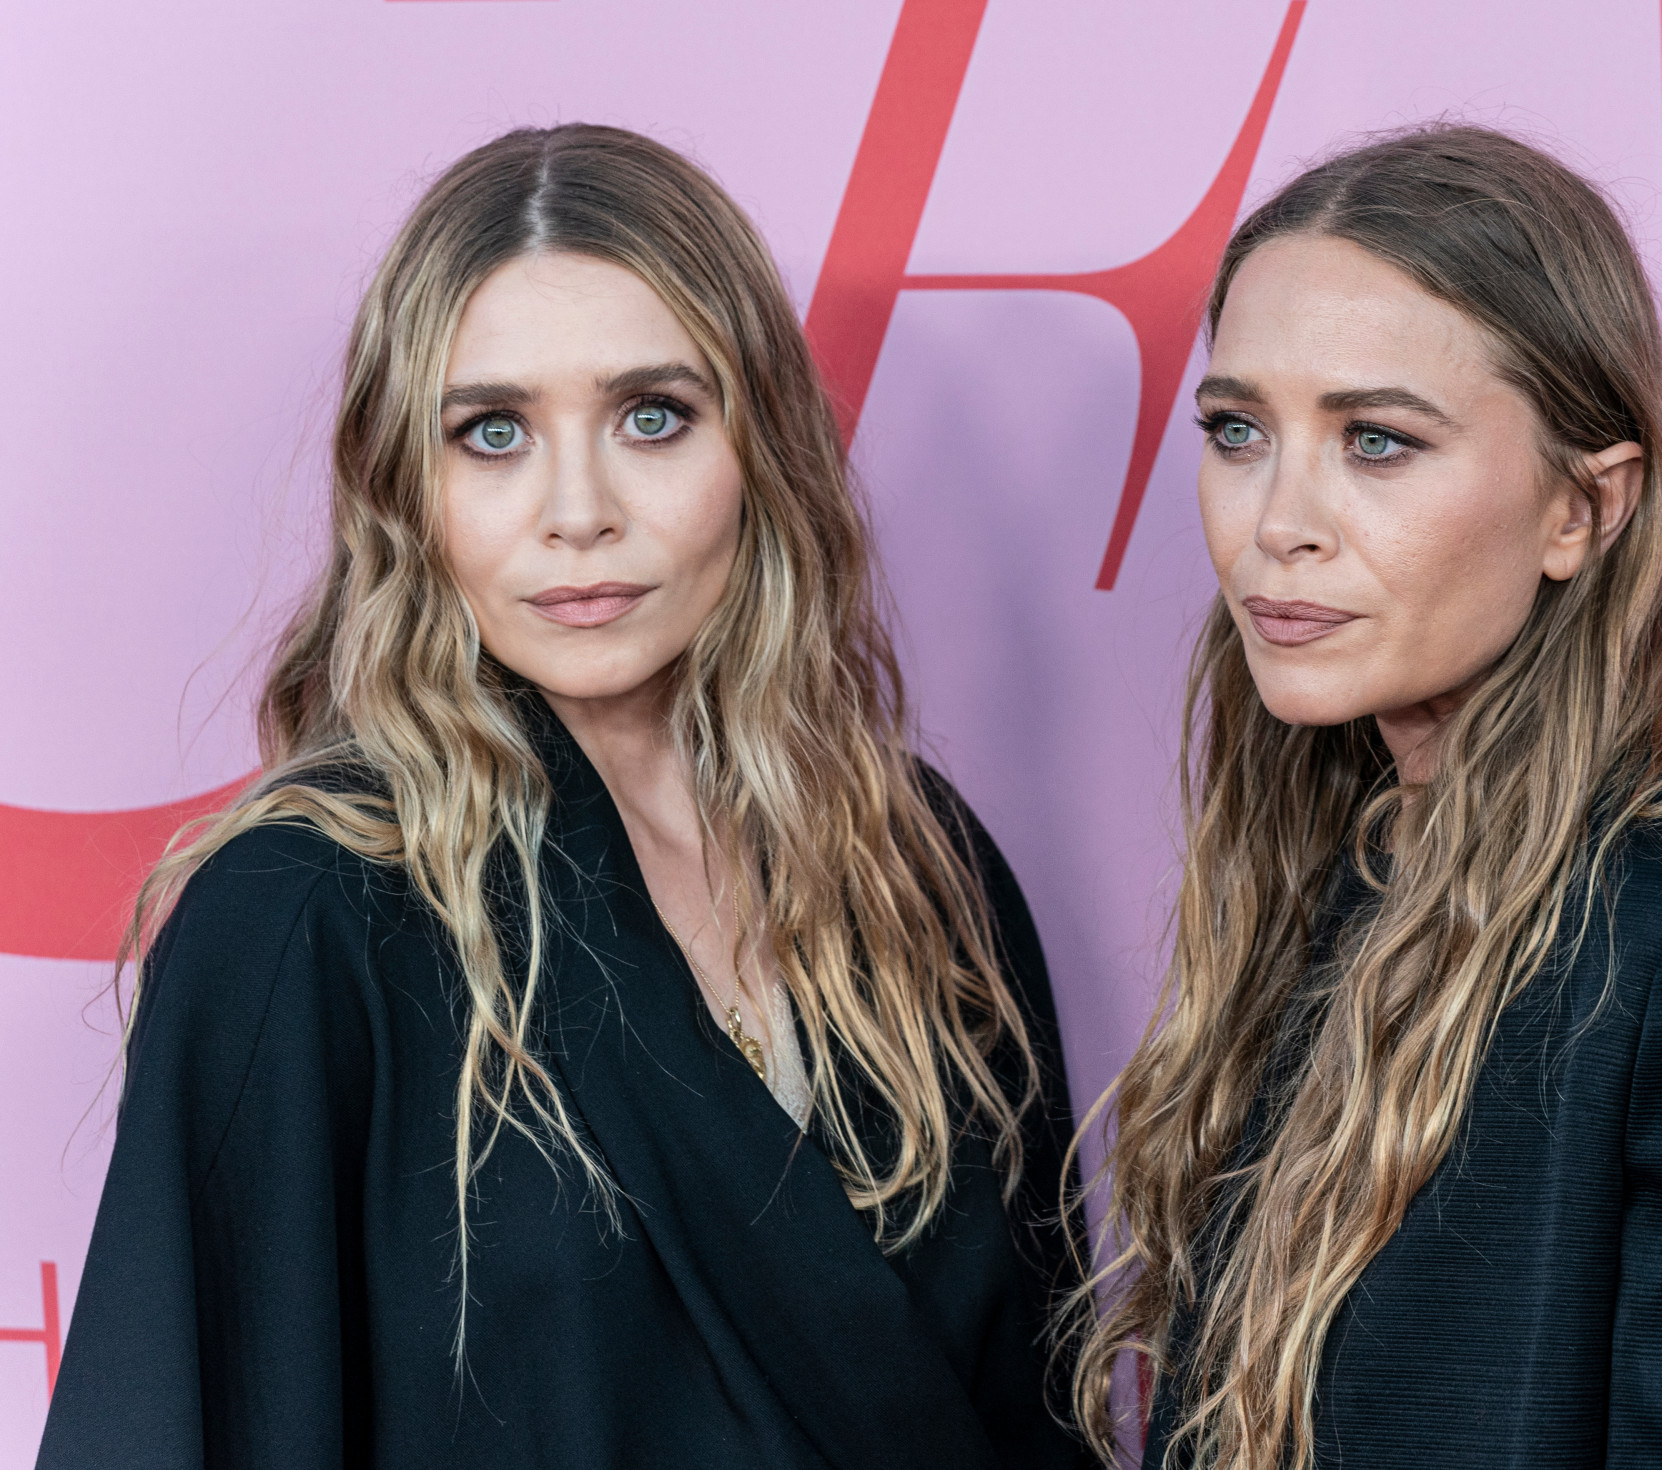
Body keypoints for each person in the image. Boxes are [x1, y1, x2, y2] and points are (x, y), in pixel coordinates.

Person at [40, 124, 1082, 1470]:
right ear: (406, 487)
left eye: (653, 415)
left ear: (759, 444)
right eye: (493, 433)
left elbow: (1045, 1405)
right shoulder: (303, 911)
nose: (577, 510)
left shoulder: (918, 861)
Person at [1071, 125, 1662, 1469]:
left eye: (1376, 441)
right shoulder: (1338, 864)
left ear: (1582, 510)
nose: (1275, 522)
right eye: (1238, 430)